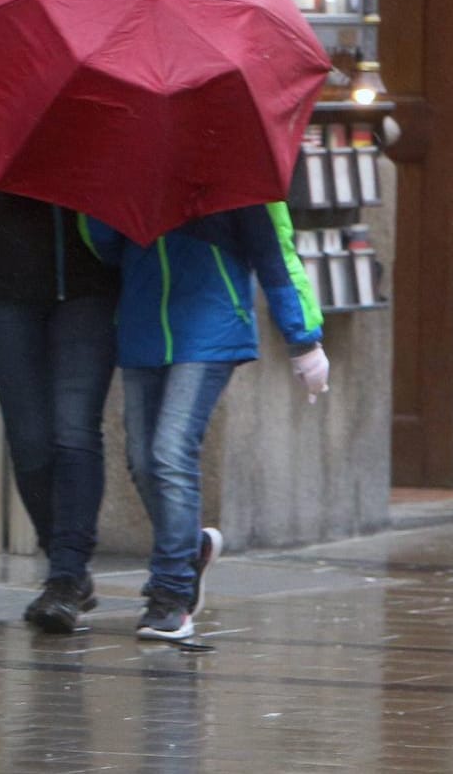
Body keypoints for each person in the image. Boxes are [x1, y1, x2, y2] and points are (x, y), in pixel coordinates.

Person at [81, 202, 328, 642]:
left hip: (210, 325)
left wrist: (303, 338)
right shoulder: (129, 167)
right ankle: (190, 550)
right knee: (141, 460)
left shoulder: (234, 167)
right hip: (143, 324)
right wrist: (104, 208)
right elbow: (104, 247)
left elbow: (274, 252)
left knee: (170, 452)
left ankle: (171, 595)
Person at [0, 171, 120, 634]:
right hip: (3, 275)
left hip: (91, 280)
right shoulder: (10, 108)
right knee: (30, 440)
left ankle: (64, 576)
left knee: (74, 429)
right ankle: (65, 563)